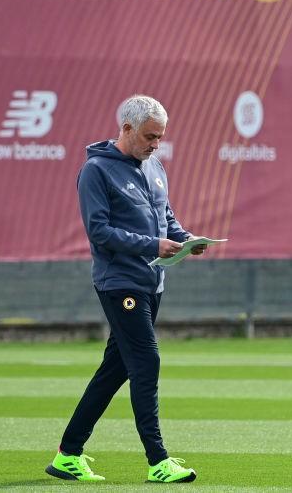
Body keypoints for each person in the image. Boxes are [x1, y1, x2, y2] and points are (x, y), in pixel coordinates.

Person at [46, 95, 207, 484]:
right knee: (146, 362)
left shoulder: (155, 167)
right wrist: (152, 245)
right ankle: (158, 461)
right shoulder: (96, 171)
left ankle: (68, 455)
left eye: (160, 137)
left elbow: (164, 215)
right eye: (150, 136)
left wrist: (185, 239)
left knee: (114, 370)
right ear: (127, 129)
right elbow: (98, 231)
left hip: (153, 283)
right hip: (119, 283)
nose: (155, 144)